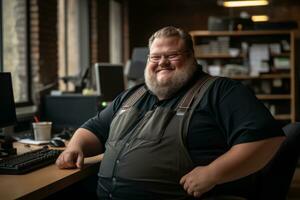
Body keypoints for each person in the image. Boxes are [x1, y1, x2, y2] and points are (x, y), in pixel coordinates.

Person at [56, 26, 285, 200]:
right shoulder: (132, 95)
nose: (162, 62)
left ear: (192, 58)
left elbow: (266, 139)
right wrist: (75, 146)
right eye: (155, 57)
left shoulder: (221, 91)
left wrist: (213, 173)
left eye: (172, 55)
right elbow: (93, 129)